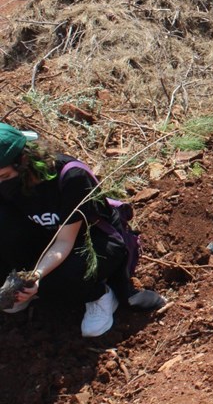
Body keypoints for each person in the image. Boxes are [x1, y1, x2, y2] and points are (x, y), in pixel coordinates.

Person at [0, 123, 165, 337]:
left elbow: (64, 242)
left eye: (3, 176)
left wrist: (37, 276)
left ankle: (99, 295)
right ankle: (26, 291)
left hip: (92, 241)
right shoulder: (9, 181)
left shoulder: (71, 178)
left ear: (23, 161)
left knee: (56, 281)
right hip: (46, 234)